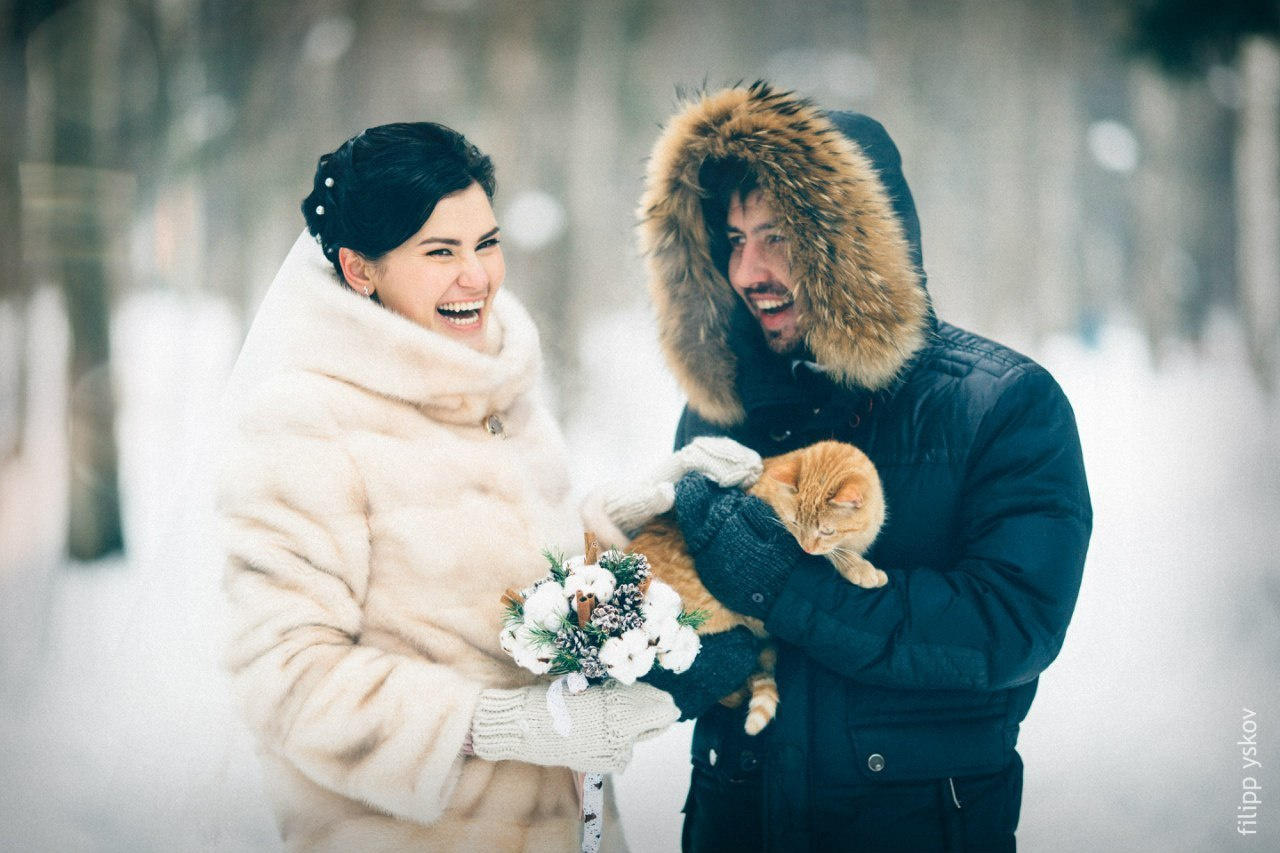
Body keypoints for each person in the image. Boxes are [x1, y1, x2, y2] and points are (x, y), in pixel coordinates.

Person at [631, 82, 1093, 852]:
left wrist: (783, 583)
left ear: (855, 244)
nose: (749, 271)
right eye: (734, 241)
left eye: (777, 235)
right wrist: (647, 640)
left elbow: (1009, 626)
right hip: (732, 819)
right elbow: (694, 611)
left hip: (914, 825)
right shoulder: (721, 411)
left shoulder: (1004, 405)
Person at [215, 122, 687, 852]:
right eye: (440, 251)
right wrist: (508, 724)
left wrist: (616, 517)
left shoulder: (494, 387)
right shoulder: (308, 420)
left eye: (486, 243)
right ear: (360, 267)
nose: (478, 276)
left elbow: (505, 582)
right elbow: (285, 678)